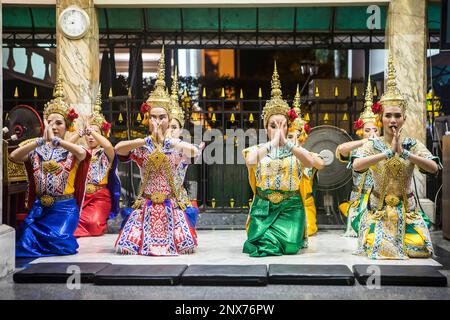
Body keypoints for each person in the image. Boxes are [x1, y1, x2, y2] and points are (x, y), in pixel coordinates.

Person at [351, 56, 440, 259]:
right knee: (376, 245)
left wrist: (404, 153)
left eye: (397, 116)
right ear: (381, 119)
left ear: (404, 119)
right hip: (378, 211)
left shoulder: (412, 144)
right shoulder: (373, 144)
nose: (393, 120)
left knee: (420, 248)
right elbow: (356, 164)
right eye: (388, 115)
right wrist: (388, 153)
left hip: (406, 212)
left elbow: (434, 168)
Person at [114, 48, 200, 256]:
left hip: (171, 203)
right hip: (147, 202)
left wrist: (169, 141)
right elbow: (117, 149)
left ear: (169, 119)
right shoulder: (142, 144)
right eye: (154, 117)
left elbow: (194, 151)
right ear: (147, 118)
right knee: (127, 246)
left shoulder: (176, 145)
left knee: (186, 245)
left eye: (162, 117)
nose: (158, 121)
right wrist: (144, 140)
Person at [10, 69, 90, 257]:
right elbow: (14, 156)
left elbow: (81, 153)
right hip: (40, 208)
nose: (54, 126)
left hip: (64, 208)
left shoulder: (71, 150)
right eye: (50, 122)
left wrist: (60, 142)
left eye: (59, 123)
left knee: (61, 243)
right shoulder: (35, 148)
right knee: (23, 243)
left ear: (67, 126)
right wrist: (39, 141)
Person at [242, 62, 315, 257]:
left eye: (282, 125)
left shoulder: (296, 151)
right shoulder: (257, 149)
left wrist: (288, 143)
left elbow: (310, 163)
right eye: (273, 125)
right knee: (261, 242)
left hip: (291, 209)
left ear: (288, 127)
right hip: (263, 209)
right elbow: (250, 161)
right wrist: (273, 143)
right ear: (266, 128)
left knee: (290, 246)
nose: (277, 129)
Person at [69, 88, 121, 237]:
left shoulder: (105, 153)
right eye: (88, 134)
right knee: (70, 222)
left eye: (96, 134)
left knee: (93, 225)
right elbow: (64, 147)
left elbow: (109, 146)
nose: (91, 137)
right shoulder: (81, 151)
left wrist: (91, 131)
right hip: (81, 196)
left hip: (99, 197)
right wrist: (81, 131)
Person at [337, 77, 380, 237]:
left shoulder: (384, 147)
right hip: (360, 198)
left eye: (375, 130)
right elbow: (341, 149)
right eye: (368, 130)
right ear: (361, 131)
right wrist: (363, 141)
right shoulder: (357, 149)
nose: (372, 134)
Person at [167, 67, 204, 228]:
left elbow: (195, 151)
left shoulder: (184, 149)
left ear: (181, 130)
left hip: (176, 198)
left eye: (174, 127)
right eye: (167, 126)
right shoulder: (150, 145)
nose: (169, 130)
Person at [287, 85, 324, 237]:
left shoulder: (310, 155)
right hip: (285, 205)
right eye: (290, 137)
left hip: (304, 204)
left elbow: (320, 164)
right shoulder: (277, 155)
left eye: (297, 136)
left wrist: (299, 151)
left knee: (306, 231)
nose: (294, 140)